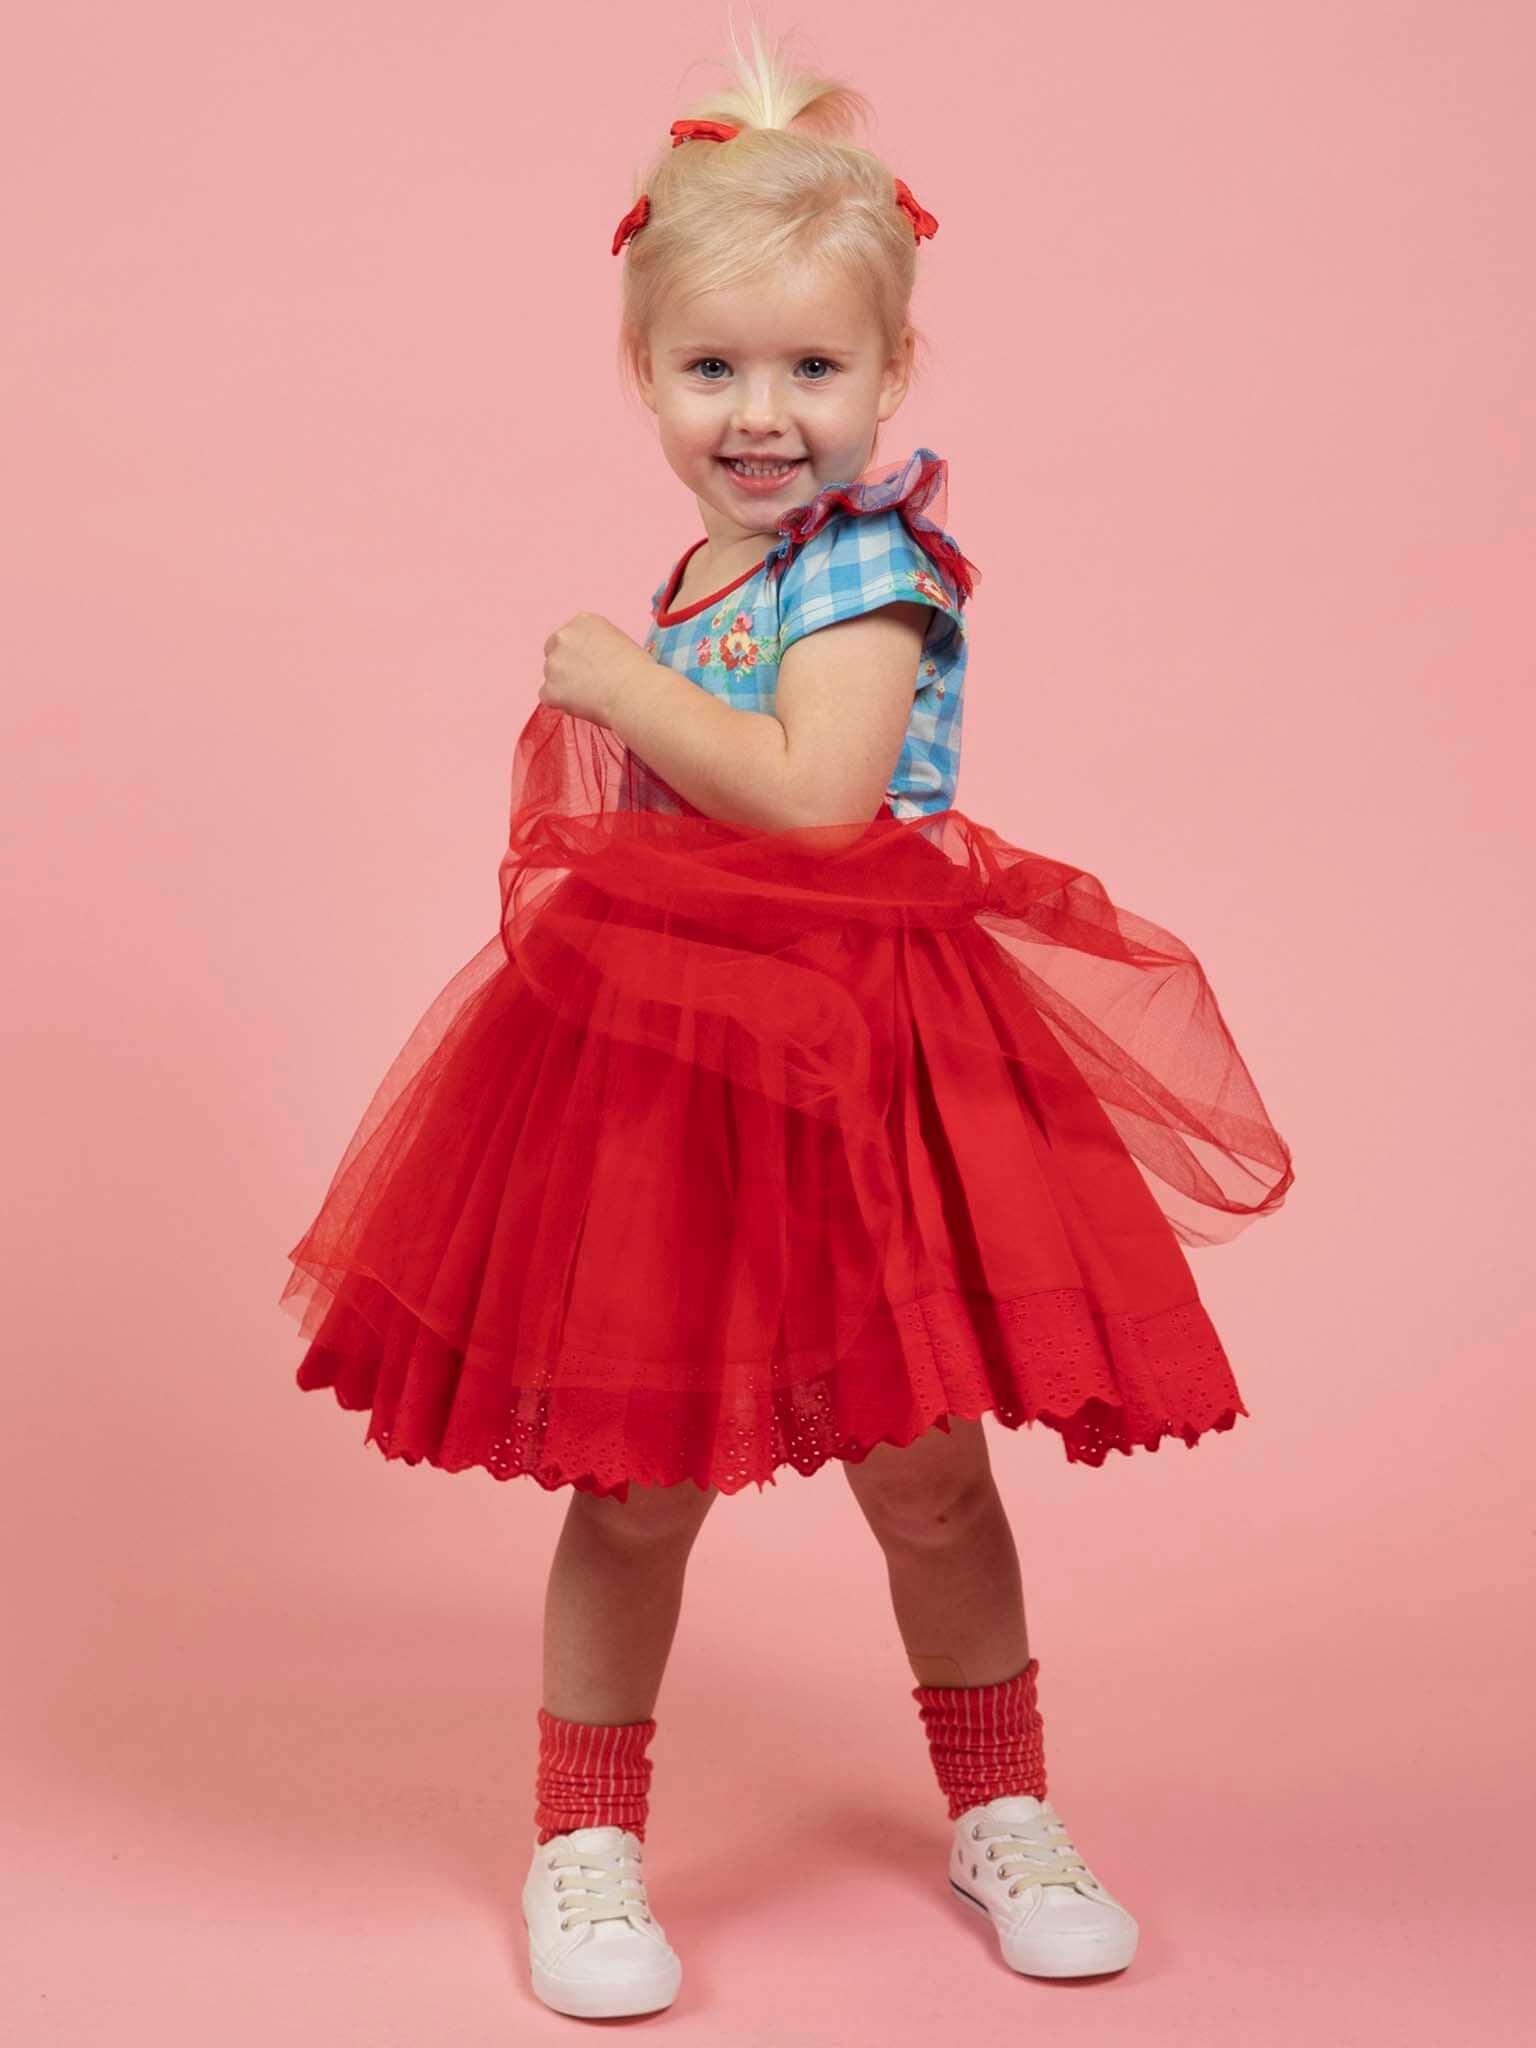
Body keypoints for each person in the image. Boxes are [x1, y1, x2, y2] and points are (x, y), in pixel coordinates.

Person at [279, 19, 1293, 2024]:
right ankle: (585, 1839)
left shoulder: (874, 564)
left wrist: (619, 684)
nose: (764, 412)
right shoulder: (719, 553)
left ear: (890, 372)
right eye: (713, 366)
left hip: (862, 1066)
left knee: (923, 1466)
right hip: (669, 1075)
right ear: (643, 371)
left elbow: (818, 796)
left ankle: (1005, 1805)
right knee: (632, 1473)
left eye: (814, 367)